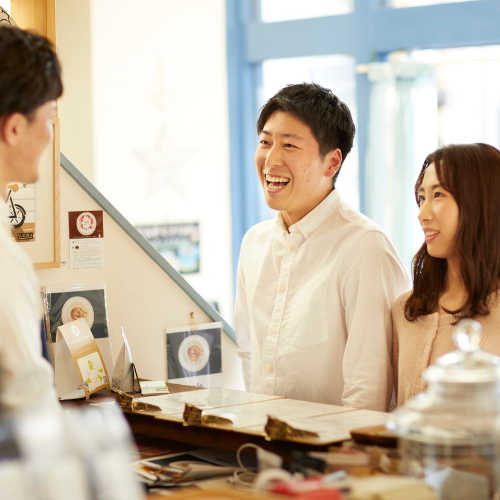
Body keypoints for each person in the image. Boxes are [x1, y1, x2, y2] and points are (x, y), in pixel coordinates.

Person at [235, 83, 410, 412]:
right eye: (265, 142)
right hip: (264, 436)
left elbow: (369, 388)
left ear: (332, 163)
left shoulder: (363, 246)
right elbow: (248, 353)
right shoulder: (254, 242)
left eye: (289, 145)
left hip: (336, 443)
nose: (270, 160)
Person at [393, 143, 500, 407]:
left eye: (438, 195)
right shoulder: (405, 310)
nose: (422, 214)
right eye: (422, 197)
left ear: (481, 202)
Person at [0, 25, 63, 413]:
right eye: (49, 117)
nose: (50, 134)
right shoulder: (4, 261)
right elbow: (29, 406)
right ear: (15, 127)